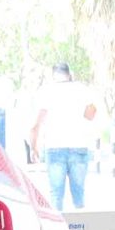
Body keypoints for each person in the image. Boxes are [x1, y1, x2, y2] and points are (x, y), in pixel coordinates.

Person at [30, 62, 97, 210]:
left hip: (54, 147)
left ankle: (58, 224)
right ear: (69, 74)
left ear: (53, 75)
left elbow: (35, 125)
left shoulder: (46, 91)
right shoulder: (81, 89)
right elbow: (91, 115)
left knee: (56, 195)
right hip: (78, 146)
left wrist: (34, 148)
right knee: (79, 194)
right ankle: (82, 223)